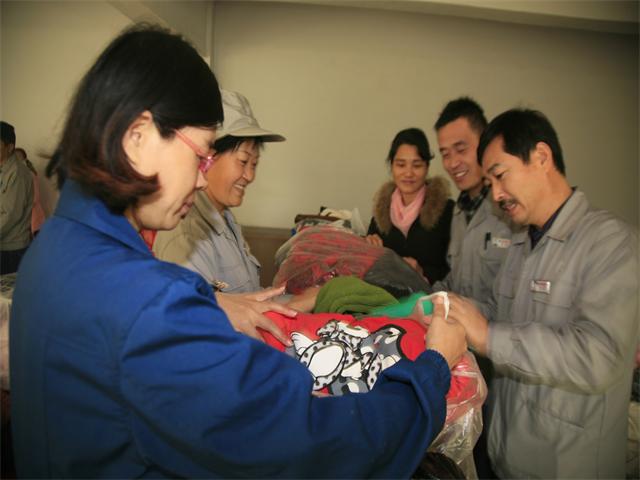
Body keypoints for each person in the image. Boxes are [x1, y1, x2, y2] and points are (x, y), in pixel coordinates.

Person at [10, 24, 468, 478]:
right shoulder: (152, 304)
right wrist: (431, 370)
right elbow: (308, 443)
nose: (201, 178)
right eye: (202, 155)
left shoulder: (53, 249)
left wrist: (209, 305)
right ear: (138, 135)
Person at [448, 108, 639, 478]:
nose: (496, 194)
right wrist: (453, 308)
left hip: (568, 466)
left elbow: (599, 355)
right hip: (506, 454)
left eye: (500, 175)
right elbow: (499, 313)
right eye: (489, 183)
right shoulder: (521, 242)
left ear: (541, 157)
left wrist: (488, 337)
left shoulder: (612, 243)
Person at [153, 90, 317, 343]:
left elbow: (246, 300)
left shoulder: (225, 220)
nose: (250, 176)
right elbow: (201, 326)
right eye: (243, 161)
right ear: (207, 156)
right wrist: (299, 304)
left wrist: (299, 299)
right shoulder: (186, 233)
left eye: (254, 164)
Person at [431, 97, 515, 479]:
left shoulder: (509, 214)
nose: (452, 162)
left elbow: (511, 302)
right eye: (445, 153)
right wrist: (431, 295)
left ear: (484, 145)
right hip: (464, 363)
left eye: (461, 149)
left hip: (500, 365)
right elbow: (456, 277)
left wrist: (455, 308)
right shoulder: (460, 211)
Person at [365, 128, 454, 284]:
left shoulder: (447, 211)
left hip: (431, 296)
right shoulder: (381, 212)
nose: (408, 173)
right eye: (401, 165)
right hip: (387, 296)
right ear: (392, 166)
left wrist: (422, 272)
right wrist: (369, 247)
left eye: (417, 165)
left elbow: (455, 271)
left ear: (427, 167)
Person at [0, 122, 33, 274]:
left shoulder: (18, 173)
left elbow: (11, 214)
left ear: (10, 147)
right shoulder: (3, 170)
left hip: (11, 249)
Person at [14, 147, 46, 236]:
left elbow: (35, 198)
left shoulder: (30, 175)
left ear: (24, 160)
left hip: (33, 219)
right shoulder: (14, 175)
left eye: (18, 158)